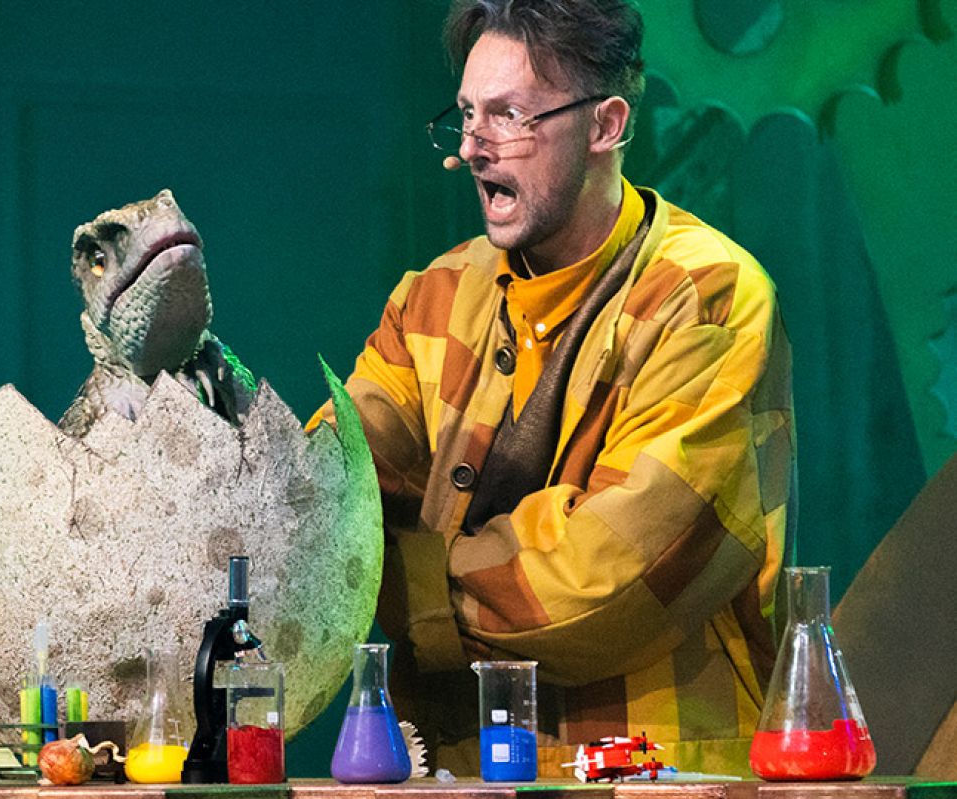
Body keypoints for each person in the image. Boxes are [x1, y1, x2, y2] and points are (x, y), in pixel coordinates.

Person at [312, 0, 794, 776]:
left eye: (507, 115)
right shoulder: (429, 297)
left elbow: (609, 574)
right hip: (453, 770)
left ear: (605, 125)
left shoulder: (706, 295)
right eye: (466, 115)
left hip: (650, 773)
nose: (471, 148)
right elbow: (327, 504)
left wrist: (405, 588)